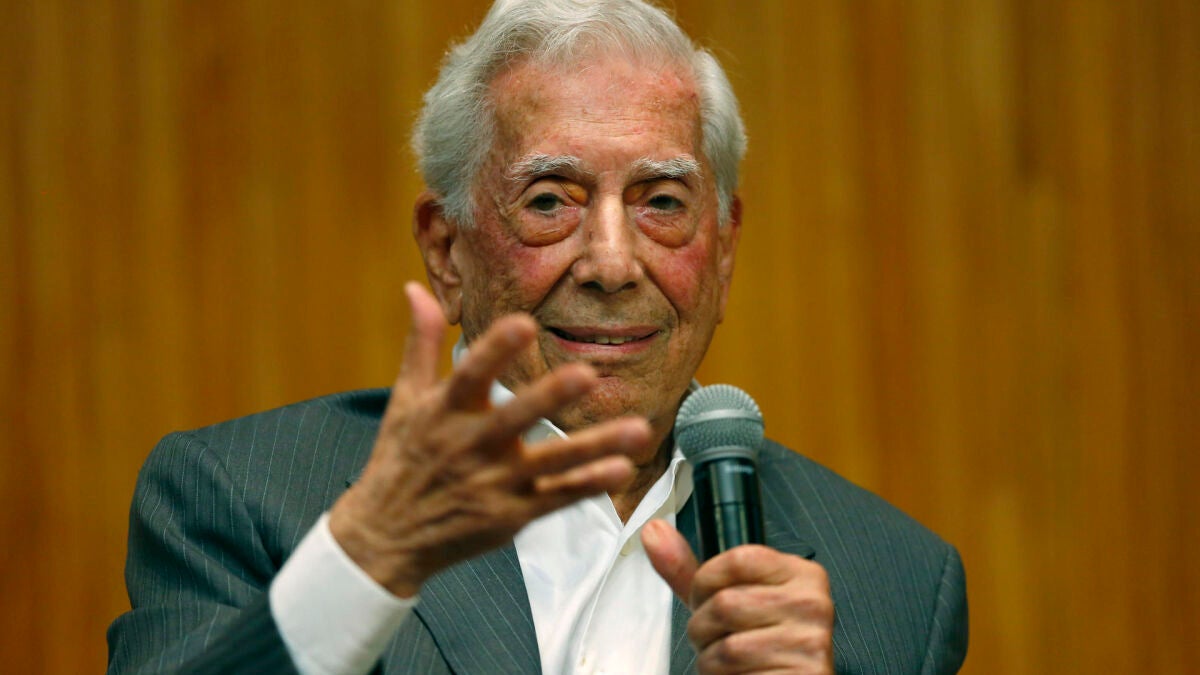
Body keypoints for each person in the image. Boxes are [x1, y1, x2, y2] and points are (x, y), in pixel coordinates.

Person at [107, 1, 968, 673]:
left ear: (725, 249)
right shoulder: (242, 501)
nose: (611, 263)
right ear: (447, 252)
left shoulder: (895, 583)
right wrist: (365, 562)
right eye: (550, 199)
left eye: (662, 202)